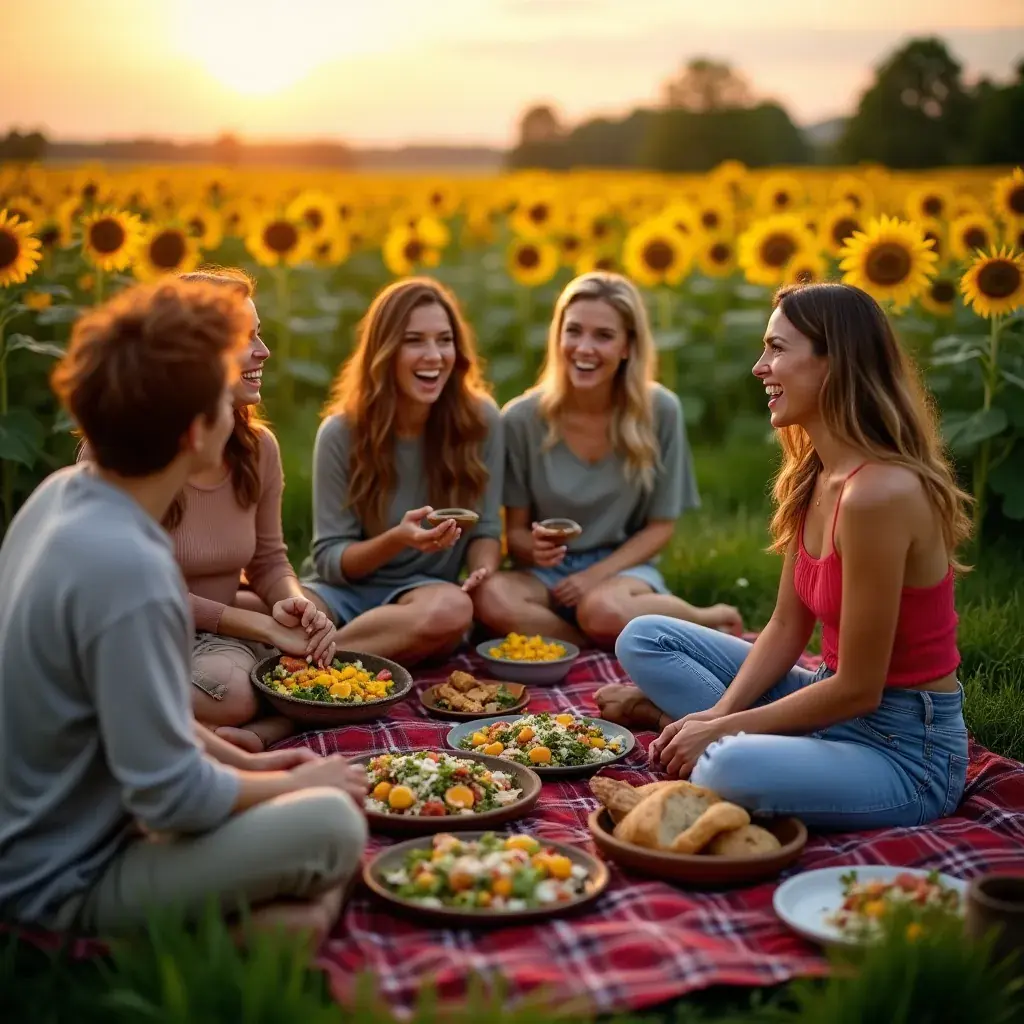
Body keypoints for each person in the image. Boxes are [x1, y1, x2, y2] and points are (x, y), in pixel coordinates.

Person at [0, 278, 366, 941]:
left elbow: (140, 714)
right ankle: (150, 945)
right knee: (335, 826)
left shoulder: (61, 495)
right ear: (198, 431)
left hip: (44, 830)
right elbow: (171, 799)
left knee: (304, 859)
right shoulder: (130, 570)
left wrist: (254, 767)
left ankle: (283, 919)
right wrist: (300, 786)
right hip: (60, 877)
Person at [602, 282, 971, 831]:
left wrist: (722, 733)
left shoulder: (878, 495)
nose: (759, 367)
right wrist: (719, 714)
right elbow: (782, 625)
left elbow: (860, 689)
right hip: (832, 701)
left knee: (725, 765)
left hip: (907, 754)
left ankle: (680, 724)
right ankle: (706, 728)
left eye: (777, 349)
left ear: (833, 363)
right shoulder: (817, 476)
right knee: (645, 635)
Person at [81, 267, 333, 755]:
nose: (264, 352)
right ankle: (255, 731)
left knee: (319, 633)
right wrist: (261, 626)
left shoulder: (259, 448)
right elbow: (142, 589)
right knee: (237, 690)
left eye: (260, 335)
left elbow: (268, 560)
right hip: (149, 637)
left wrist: (291, 602)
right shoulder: (118, 457)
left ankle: (249, 737)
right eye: (245, 338)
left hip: (228, 633)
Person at [471, 271, 742, 649]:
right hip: (546, 575)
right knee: (490, 597)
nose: (584, 348)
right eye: (574, 331)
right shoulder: (520, 419)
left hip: (622, 568)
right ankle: (585, 647)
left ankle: (704, 619)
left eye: (603, 336)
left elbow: (660, 528)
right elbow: (513, 535)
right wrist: (533, 549)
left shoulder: (660, 409)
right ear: (558, 335)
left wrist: (595, 575)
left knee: (601, 610)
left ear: (628, 346)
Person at [302, 277, 503, 663]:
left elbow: (488, 529)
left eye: (444, 340)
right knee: (282, 613)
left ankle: (306, 669)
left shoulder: (481, 422)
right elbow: (329, 559)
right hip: (341, 593)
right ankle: (325, 663)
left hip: (425, 596)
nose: (434, 355)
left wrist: (481, 572)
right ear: (385, 351)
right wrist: (398, 539)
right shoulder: (340, 433)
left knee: (452, 610)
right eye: (414, 341)